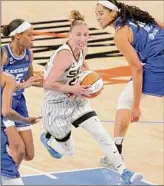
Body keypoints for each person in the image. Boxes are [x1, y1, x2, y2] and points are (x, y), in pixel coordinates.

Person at [40, 10, 143, 185]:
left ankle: (124, 172)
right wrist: (73, 88)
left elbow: (82, 65)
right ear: (69, 35)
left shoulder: (83, 49)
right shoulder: (64, 55)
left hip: (77, 101)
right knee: (68, 150)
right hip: (55, 105)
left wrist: (88, 77)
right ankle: (49, 138)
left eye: (85, 35)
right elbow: (47, 84)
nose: (82, 38)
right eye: (78, 35)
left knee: (101, 134)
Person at [95, 0, 164, 167]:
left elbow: (137, 69)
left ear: (113, 13)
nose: (98, 18)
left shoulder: (120, 36)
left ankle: (115, 155)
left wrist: (136, 106)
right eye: (96, 15)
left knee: (125, 101)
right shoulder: (139, 17)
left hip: (159, 63)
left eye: (101, 13)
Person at [1, 19, 43, 167]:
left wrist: (63, 86)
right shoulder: (3, 54)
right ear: (18, 35)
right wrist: (23, 85)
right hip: (4, 104)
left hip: (19, 103)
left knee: (29, 154)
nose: (33, 38)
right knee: (18, 150)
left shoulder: (28, 54)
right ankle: (10, 178)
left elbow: (30, 79)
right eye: (29, 35)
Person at [1, 48, 40, 185]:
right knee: (17, 153)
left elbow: (27, 82)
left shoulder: (28, 55)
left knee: (27, 153)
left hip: (15, 106)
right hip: (6, 117)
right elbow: (6, 112)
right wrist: (24, 120)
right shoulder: (8, 78)